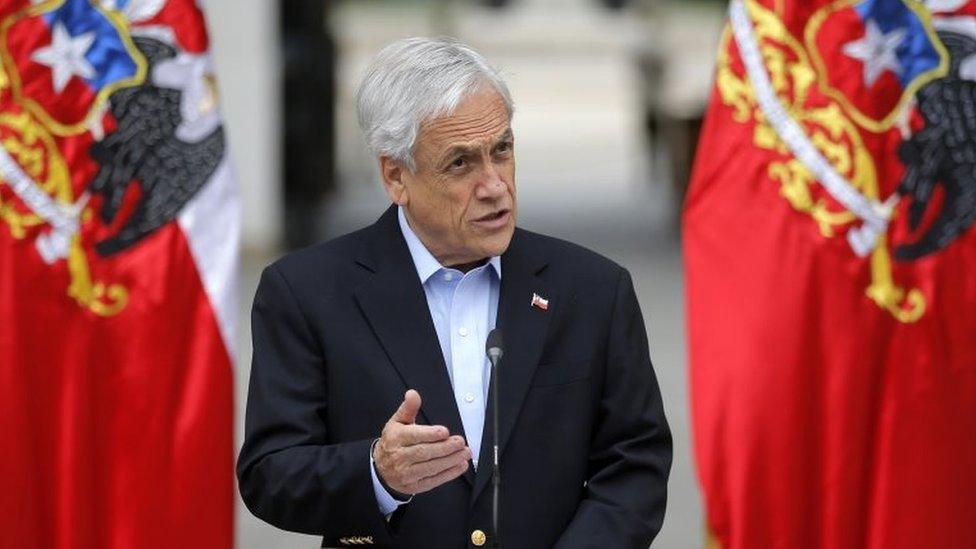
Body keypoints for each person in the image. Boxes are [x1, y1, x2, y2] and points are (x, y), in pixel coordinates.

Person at [237, 37, 672, 549]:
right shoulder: (305, 292)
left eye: (502, 150)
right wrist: (377, 472)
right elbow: (272, 474)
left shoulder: (593, 289)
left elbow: (635, 467)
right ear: (396, 175)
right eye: (461, 164)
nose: (494, 185)